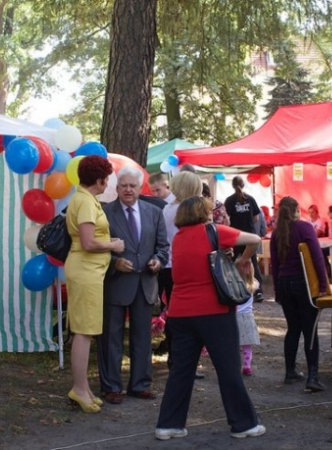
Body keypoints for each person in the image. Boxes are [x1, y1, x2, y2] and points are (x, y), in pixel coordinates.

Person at [154, 197, 265, 441]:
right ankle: (243, 424)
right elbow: (255, 239)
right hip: (213, 311)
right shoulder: (213, 231)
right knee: (228, 369)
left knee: (181, 371)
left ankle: (168, 424)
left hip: (180, 312)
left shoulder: (179, 238)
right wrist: (244, 258)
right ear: (204, 213)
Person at [97, 166, 169, 405]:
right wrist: (115, 263)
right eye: (124, 185)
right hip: (116, 283)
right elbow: (96, 250)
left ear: (141, 188)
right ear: (116, 188)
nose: (128, 190)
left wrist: (158, 261)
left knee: (142, 338)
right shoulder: (104, 213)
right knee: (111, 338)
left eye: (133, 186)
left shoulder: (154, 212)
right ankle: (111, 386)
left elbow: (163, 247)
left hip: (145, 283)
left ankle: (140, 384)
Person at [64, 155, 124, 414]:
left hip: (88, 271)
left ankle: (83, 388)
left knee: (85, 331)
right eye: (106, 179)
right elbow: (88, 242)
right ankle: (79, 389)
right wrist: (113, 244)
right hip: (86, 270)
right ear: (99, 180)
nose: (107, 183)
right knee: (83, 332)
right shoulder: (86, 203)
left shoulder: (84, 200)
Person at [271, 196, 328, 392]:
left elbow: (275, 264)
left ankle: (290, 371)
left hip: (284, 283)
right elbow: (317, 257)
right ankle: (312, 376)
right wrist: (323, 283)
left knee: (293, 328)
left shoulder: (277, 232)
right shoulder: (305, 228)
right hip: (302, 283)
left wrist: (277, 292)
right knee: (310, 329)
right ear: (296, 209)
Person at [160, 172, 205, 377]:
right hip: (183, 266)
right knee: (188, 316)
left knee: (173, 313)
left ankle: (175, 358)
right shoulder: (186, 211)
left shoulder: (167, 209)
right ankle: (182, 361)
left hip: (168, 267)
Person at [224, 176, 264, 302]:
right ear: (243, 185)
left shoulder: (229, 200)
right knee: (252, 262)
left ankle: (237, 289)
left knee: (234, 262)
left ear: (233, 185)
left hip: (235, 236)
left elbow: (226, 219)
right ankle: (257, 290)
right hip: (249, 236)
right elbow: (256, 218)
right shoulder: (250, 199)